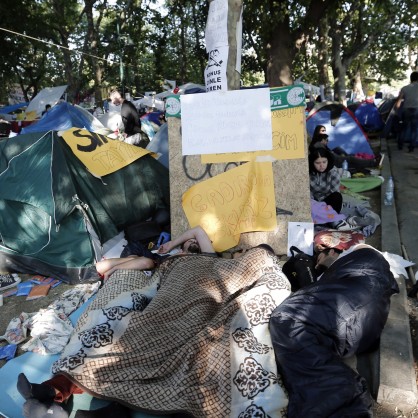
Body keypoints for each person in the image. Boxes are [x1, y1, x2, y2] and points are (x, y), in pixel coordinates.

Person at [269, 244, 399, 417]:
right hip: (360, 329)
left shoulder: (357, 254)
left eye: (319, 260)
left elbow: (363, 247)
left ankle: (341, 402)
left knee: (288, 317)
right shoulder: (346, 274)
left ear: (332, 250)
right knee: (304, 334)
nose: (316, 266)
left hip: (356, 307)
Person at [95, 225, 215, 280]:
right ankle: (93, 271)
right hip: (150, 257)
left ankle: (111, 271)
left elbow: (199, 232)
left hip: (156, 267)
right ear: (182, 248)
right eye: (191, 240)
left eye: (197, 243)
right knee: (137, 257)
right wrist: (172, 244)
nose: (196, 242)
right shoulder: (176, 251)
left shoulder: (206, 259)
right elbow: (196, 230)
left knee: (145, 262)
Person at [310, 125, 378, 169]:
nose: (324, 132)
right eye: (322, 131)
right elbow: (320, 153)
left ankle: (349, 156)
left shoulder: (320, 140)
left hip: (331, 155)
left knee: (338, 149)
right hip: (330, 160)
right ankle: (372, 162)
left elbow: (326, 149)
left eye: (324, 130)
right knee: (351, 159)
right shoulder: (316, 143)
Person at [395, 71, 418, 152]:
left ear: (411, 78)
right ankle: (411, 147)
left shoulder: (404, 88)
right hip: (416, 110)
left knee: (404, 128)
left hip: (406, 109)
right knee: (414, 129)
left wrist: (397, 110)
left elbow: (399, 100)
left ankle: (400, 145)